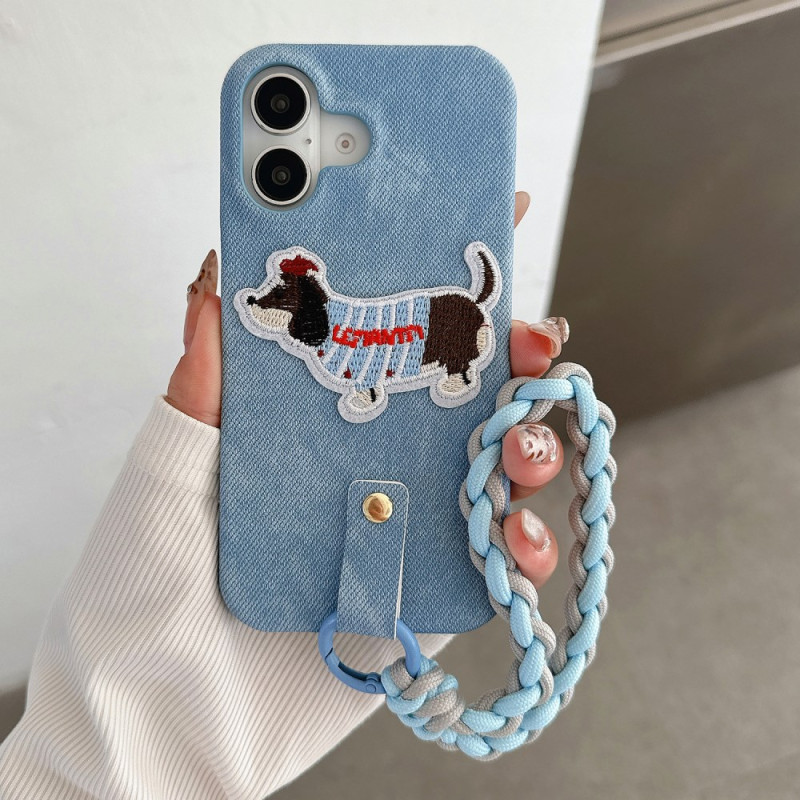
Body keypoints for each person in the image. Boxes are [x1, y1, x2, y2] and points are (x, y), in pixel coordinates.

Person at [0, 193, 570, 798]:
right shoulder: (333, 335)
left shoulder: (359, 331)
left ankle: (458, 367)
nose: (264, 304)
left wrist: (136, 736)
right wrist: (157, 733)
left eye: (280, 300)